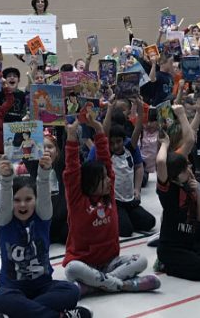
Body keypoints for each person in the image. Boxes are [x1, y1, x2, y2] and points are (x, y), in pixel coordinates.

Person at [62, 113, 160, 295]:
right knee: (71, 268)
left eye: (108, 177)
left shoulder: (108, 197)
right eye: (104, 178)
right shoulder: (78, 201)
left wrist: (99, 129)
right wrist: (71, 137)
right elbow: (72, 171)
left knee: (141, 260)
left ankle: (95, 286)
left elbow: (106, 161)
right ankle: (122, 285)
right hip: (84, 263)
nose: (109, 180)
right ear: (91, 183)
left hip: (109, 263)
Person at [0, 153, 90, 318]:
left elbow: (43, 189)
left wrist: (44, 172)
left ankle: (21, 313)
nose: (23, 204)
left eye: (28, 199)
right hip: (13, 289)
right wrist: (6, 179)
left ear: (35, 201)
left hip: (43, 287)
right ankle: (58, 317)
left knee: (71, 291)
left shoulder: (42, 217)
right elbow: (4, 200)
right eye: (17, 200)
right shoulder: (5, 222)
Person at [155, 136, 200, 281]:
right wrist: (165, 144)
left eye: (187, 166)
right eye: (184, 169)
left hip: (188, 244)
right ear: (174, 176)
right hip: (171, 248)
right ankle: (165, 265)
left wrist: (198, 192)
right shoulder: (168, 191)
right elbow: (161, 162)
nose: (189, 170)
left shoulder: (190, 189)